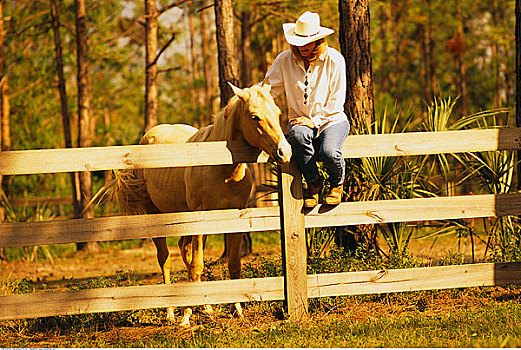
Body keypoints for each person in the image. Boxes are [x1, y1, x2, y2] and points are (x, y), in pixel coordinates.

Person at [264, 11, 350, 207]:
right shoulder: (284, 60)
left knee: (329, 152)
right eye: (299, 41)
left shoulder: (335, 60)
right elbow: (268, 89)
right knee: (298, 135)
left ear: (318, 40)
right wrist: (249, 98)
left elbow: (337, 100)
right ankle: (314, 183)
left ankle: (337, 184)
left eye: (307, 42)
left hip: (332, 119)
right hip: (300, 121)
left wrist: (315, 121)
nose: (302, 46)